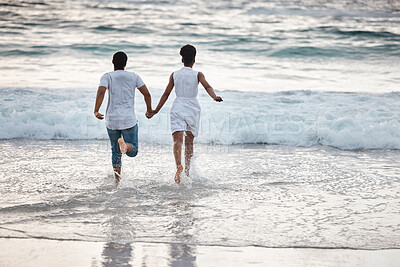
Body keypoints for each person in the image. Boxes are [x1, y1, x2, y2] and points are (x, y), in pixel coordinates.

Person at [146, 44, 223, 183]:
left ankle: (178, 167)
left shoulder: (174, 74)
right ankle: (186, 172)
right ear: (194, 60)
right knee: (189, 143)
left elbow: (166, 94)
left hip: (177, 107)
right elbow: (207, 86)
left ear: (182, 60)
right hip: (192, 109)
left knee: (177, 140)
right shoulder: (198, 74)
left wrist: (155, 110)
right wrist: (214, 96)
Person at [94, 51, 152, 181]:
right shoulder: (134, 76)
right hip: (128, 120)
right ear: (126, 64)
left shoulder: (107, 76)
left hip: (112, 120)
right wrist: (149, 110)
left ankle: (117, 181)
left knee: (115, 152)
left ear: (113, 63)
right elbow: (147, 94)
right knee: (133, 150)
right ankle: (126, 146)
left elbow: (101, 91)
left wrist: (96, 110)